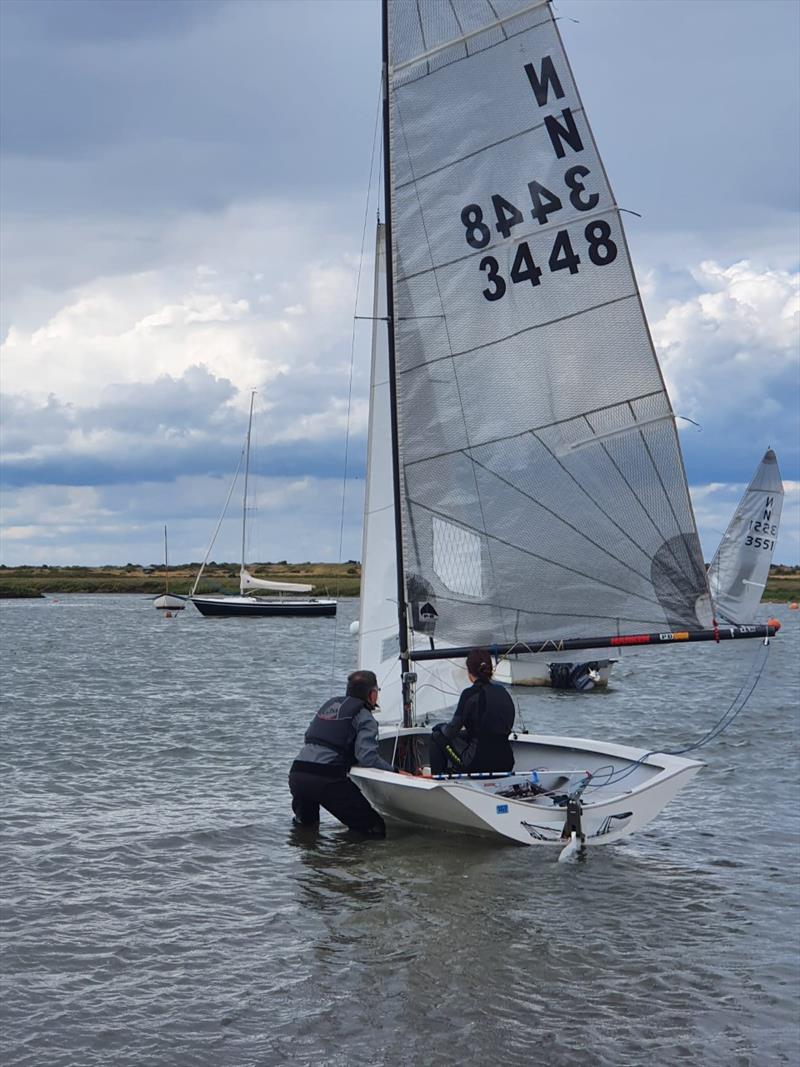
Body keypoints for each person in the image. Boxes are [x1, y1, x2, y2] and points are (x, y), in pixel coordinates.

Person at [289, 669, 395, 837]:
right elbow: (367, 757)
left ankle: (309, 859)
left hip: (298, 773)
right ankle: (346, 860)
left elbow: (312, 738)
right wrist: (393, 772)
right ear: (372, 694)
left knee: (307, 827)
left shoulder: (329, 706)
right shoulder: (365, 716)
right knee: (374, 828)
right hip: (325, 778)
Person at [429, 649, 515, 775]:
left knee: (436, 736)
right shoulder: (503, 692)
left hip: (476, 764)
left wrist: (441, 727)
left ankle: (439, 781)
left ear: (469, 673)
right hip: (506, 762)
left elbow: (450, 731)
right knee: (470, 736)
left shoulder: (469, 694)